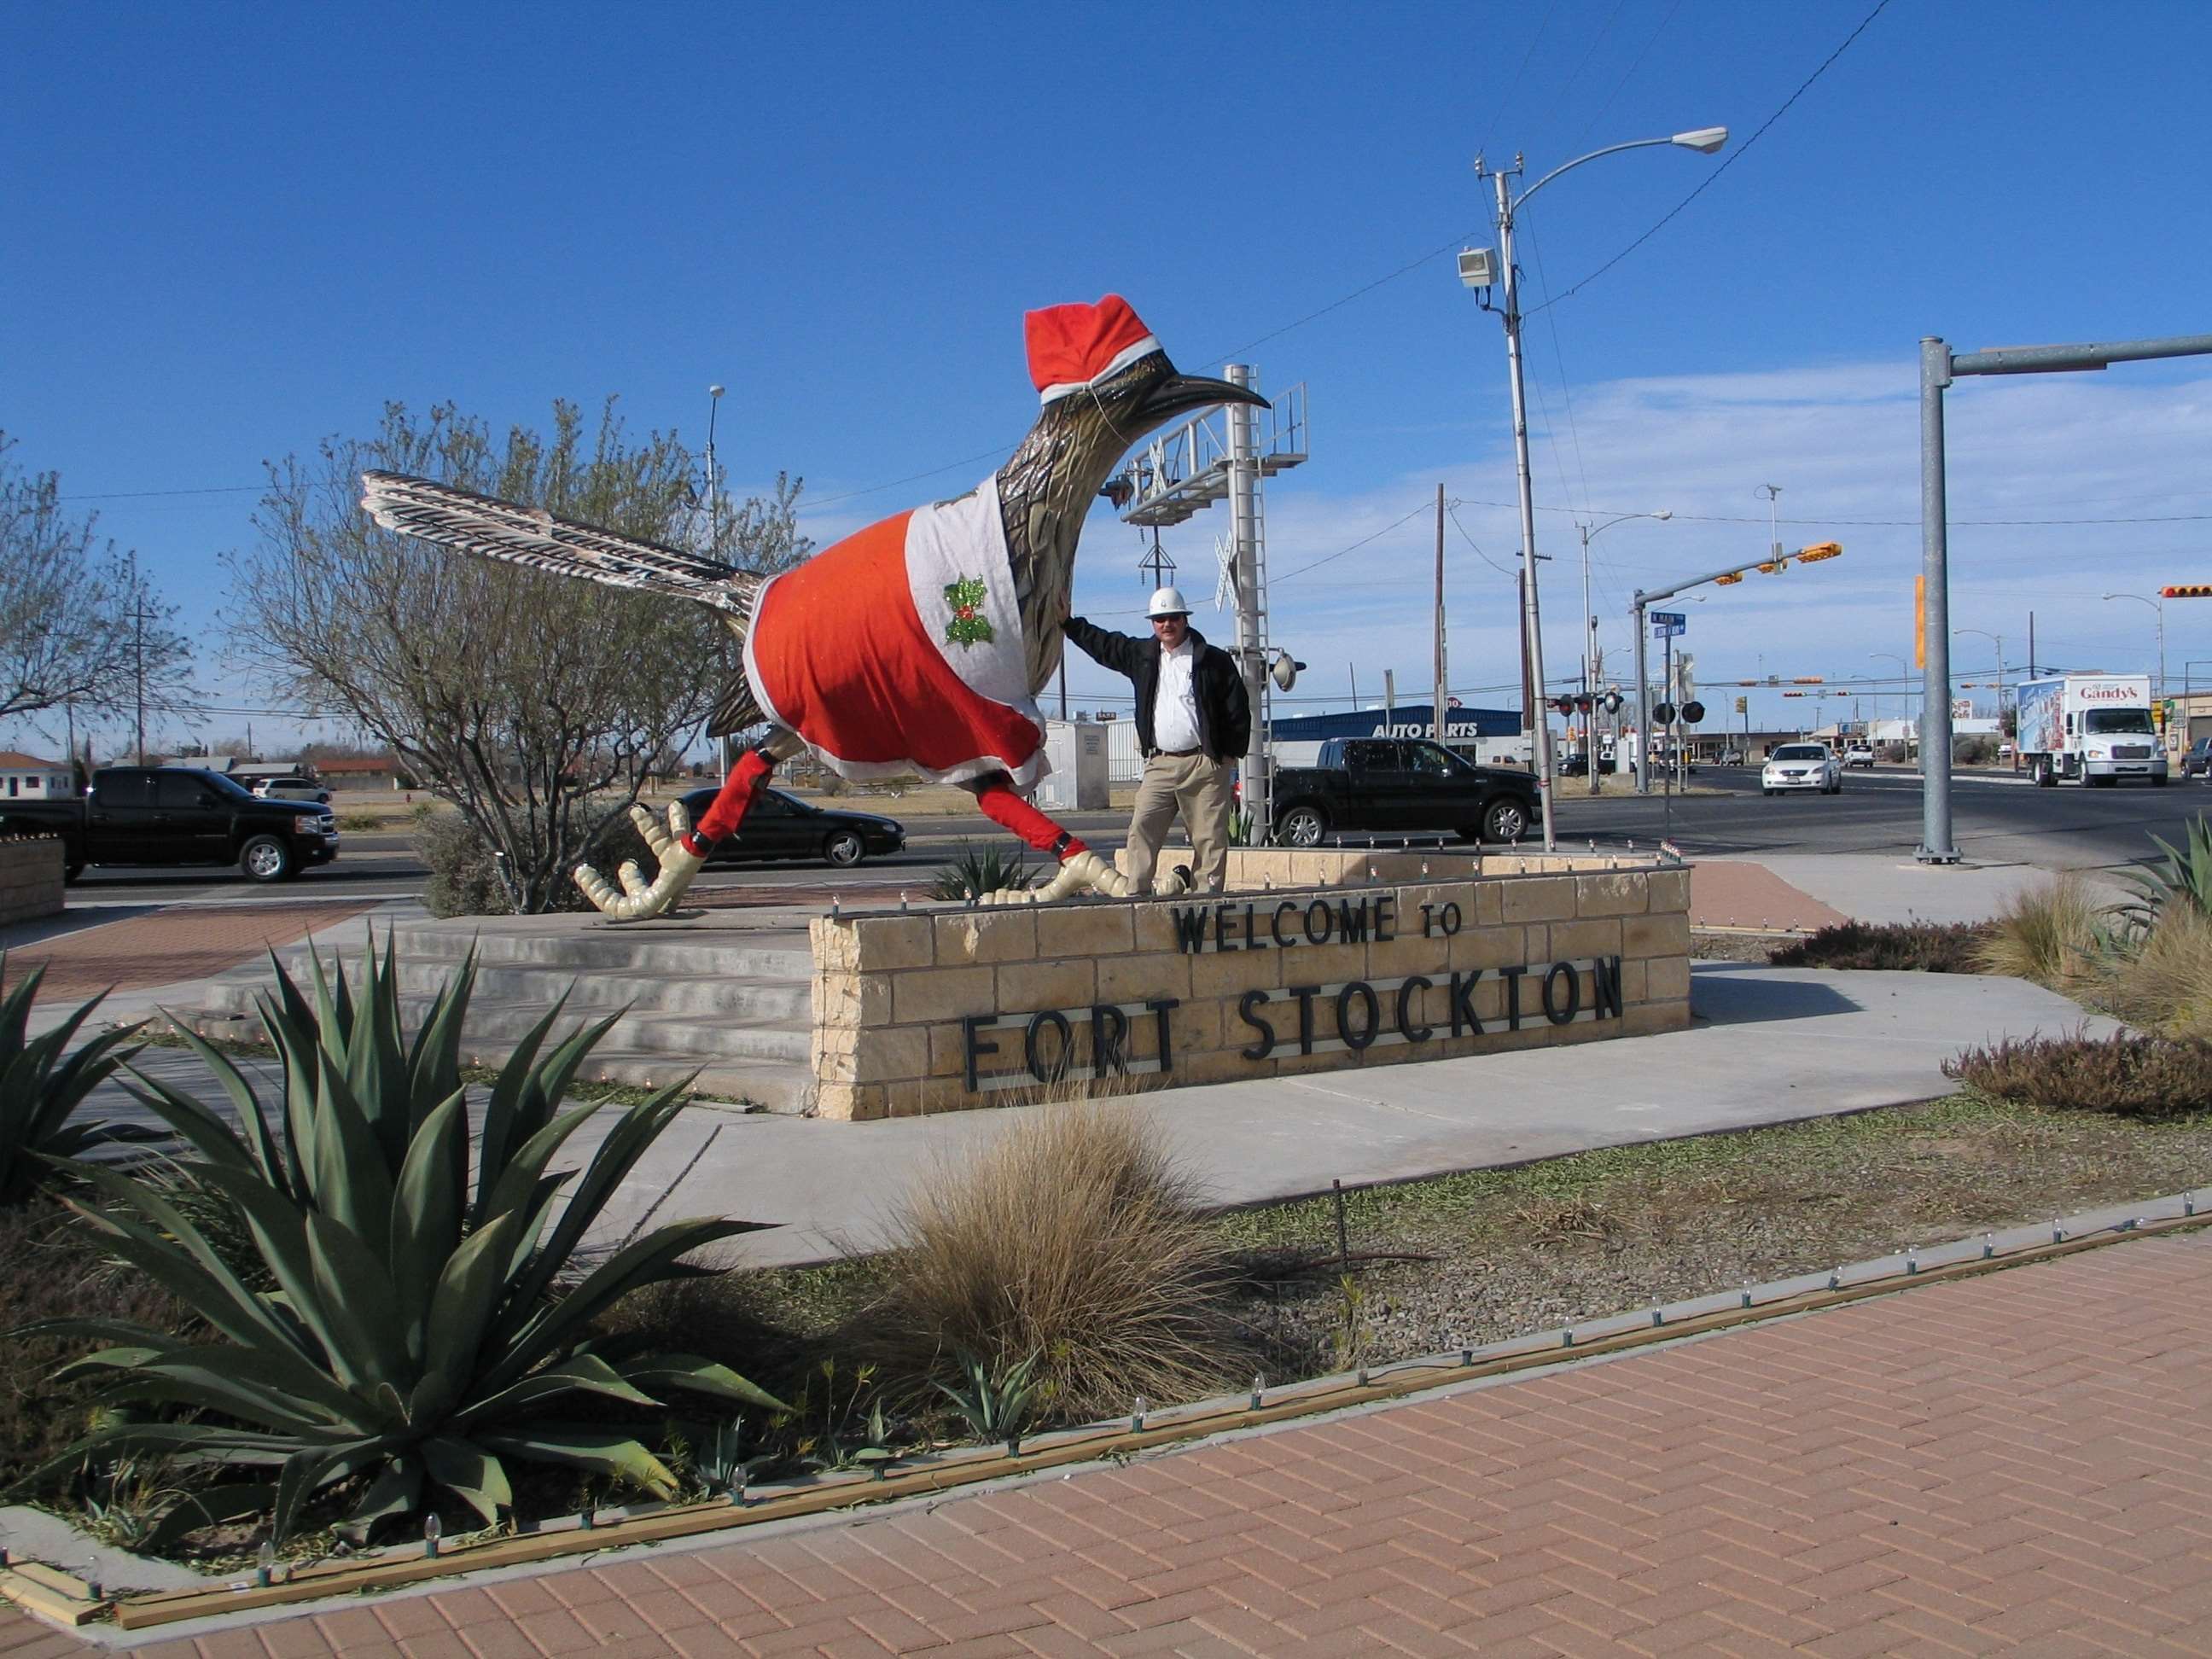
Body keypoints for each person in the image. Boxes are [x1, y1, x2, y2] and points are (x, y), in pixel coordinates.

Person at [1062, 586, 1250, 894]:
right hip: (1160, 764)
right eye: (1159, 619)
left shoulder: (1212, 660)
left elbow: (1237, 707)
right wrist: (1069, 624)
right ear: (1152, 623)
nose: (1167, 624)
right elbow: (1106, 645)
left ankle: (1207, 900)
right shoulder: (1143, 656)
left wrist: (1228, 754)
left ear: (1184, 619)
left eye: (1173, 617)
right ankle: (1136, 896)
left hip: (1204, 764)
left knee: (1209, 838)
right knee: (1142, 828)